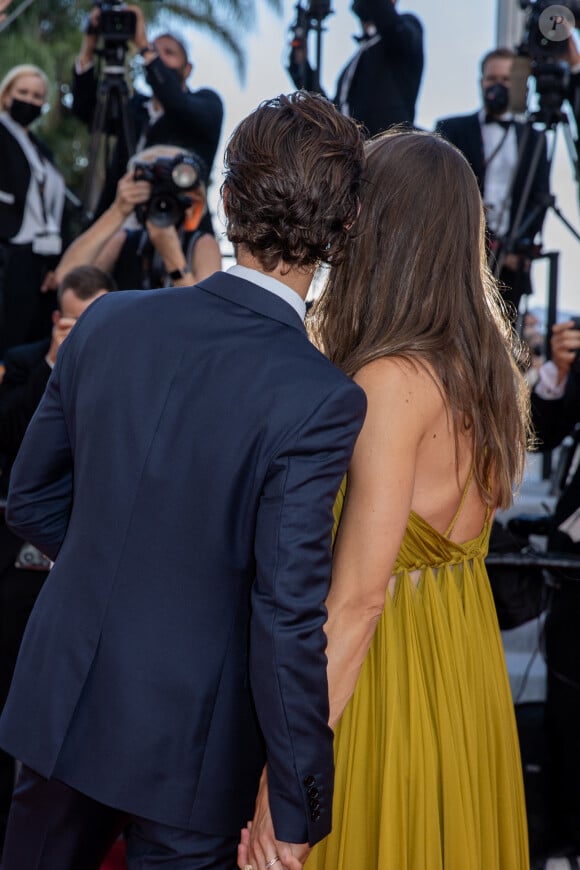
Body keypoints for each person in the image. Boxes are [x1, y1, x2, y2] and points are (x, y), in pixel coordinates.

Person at [0, 91, 366, 870]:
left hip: (64, 709)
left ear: (226, 201)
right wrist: (297, 806)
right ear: (343, 231)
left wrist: (117, 569)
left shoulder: (107, 321)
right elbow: (286, 618)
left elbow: (29, 497)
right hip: (195, 754)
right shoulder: (320, 398)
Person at [240, 130, 532, 869]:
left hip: (382, 682)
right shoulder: (488, 375)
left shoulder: (390, 382)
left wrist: (287, 783)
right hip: (462, 677)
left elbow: (360, 600)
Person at [0, 265, 113, 858]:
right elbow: (20, 463)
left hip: (84, 581)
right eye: (75, 322)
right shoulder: (25, 361)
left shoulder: (132, 368)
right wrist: (56, 360)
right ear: (58, 317)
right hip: (24, 571)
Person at [72, 5, 223, 227]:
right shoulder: (134, 107)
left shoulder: (206, 102)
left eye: (168, 53)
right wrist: (88, 49)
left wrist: (145, 47)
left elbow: (177, 104)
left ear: (188, 68)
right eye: (155, 50)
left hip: (178, 221)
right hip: (121, 223)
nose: (157, 57)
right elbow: (86, 112)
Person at [436, 47, 551, 317]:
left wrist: (521, 244)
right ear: (481, 83)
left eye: (506, 80)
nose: (497, 87)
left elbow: (540, 197)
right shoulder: (452, 129)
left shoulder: (534, 138)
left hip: (511, 260)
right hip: (460, 254)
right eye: (491, 79)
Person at [530, 320, 580, 868]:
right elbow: (539, 433)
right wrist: (557, 374)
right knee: (566, 702)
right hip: (573, 565)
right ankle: (567, 833)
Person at [55, 145, 221, 290]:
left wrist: (173, 258)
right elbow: (66, 279)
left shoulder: (201, 245)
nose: (162, 198)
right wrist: (118, 211)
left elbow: (210, 314)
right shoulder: (125, 241)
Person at [0, 64, 67, 357]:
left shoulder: (41, 149)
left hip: (40, 259)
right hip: (8, 250)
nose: (30, 100)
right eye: (23, 92)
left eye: (38, 96)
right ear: (6, 96)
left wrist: (56, 263)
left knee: (28, 344)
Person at [289, 0, 423, 136]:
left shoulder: (405, 30)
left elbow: (391, 26)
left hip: (385, 148)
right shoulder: (357, 61)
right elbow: (331, 110)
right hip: (352, 149)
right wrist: (301, 64)